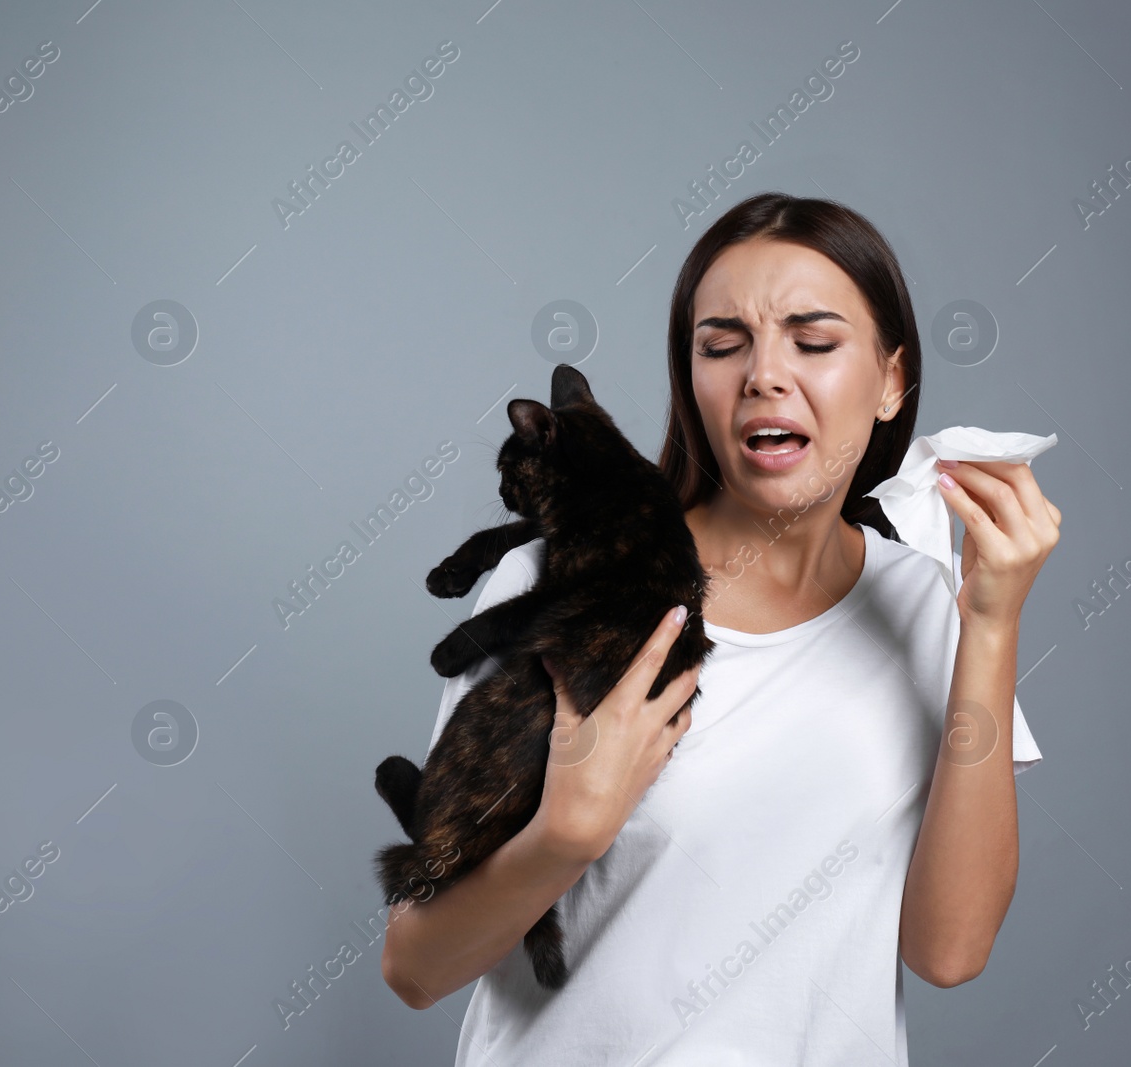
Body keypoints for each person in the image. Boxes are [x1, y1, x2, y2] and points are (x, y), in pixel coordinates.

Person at [380, 192, 1062, 1064]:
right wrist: (567, 833)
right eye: (721, 345)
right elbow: (416, 966)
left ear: (893, 382)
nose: (763, 376)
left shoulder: (931, 609)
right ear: (690, 380)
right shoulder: (557, 583)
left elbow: (949, 950)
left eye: (813, 342)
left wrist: (993, 627)